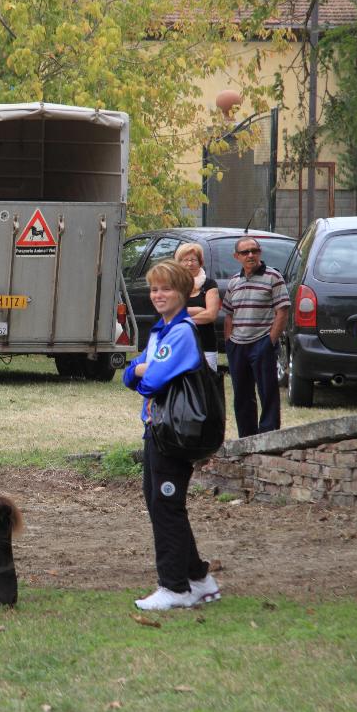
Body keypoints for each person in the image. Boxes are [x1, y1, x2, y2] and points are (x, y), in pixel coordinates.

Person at [122, 260, 220, 611]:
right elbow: (131, 373)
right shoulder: (160, 331)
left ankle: (174, 587)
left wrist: (143, 369)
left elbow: (150, 380)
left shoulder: (180, 332)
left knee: (166, 506)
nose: (158, 295)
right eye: (154, 289)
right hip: (158, 429)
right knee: (161, 503)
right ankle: (199, 580)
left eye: (166, 288)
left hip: (174, 433)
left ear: (183, 292)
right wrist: (141, 368)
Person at [221, 236, 290, 437]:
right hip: (237, 345)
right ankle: (246, 437)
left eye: (254, 250)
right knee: (242, 395)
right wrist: (229, 342)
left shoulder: (273, 277)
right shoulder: (234, 281)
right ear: (237, 256)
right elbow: (229, 314)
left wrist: (270, 341)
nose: (250, 255)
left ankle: (269, 436)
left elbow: (282, 311)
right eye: (245, 252)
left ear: (260, 252)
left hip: (262, 342)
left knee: (268, 393)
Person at [174, 243, 221, 372]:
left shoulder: (209, 284)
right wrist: (200, 310)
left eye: (193, 260)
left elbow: (211, 315)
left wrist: (182, 318)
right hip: (178, 344)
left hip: (205, 344)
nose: (190, 264)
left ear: (200, 262)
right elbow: (169, 314)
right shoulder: (172, 284)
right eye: (185, 260)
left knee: (207, 386)